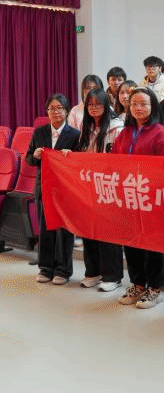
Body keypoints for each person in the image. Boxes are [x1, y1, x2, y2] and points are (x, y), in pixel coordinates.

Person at [112, 88, 164, 308]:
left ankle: (154, 288)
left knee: (151, 244)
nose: (138, 108)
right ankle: (137, 284)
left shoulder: (160, 132)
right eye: (134, 104)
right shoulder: (125, 132)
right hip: (129, 197)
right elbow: (113, 161)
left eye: (143, 104)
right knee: (131, 242)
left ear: (153, 106)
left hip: (151, 198)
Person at [73, 87, 125, 292]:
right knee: (89, 230)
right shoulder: (85, 128)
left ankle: (113, 276)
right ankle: (93, 272)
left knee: (108, 232)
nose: (94, 108)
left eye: (98, 104)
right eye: (90, 105)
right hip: (89, 185)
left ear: (106, 105)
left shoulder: (117, 127)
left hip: (109, 186)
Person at [28, 94, 81, 285]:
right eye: (52, 108)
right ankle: (45, 268)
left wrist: (72, 156)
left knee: (64, 230)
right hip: (43, 186)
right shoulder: (39, 132)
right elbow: (28, 158)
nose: (56, 112)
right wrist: (35, 155)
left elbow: (81, 163)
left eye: (60, 108)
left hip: (65, 189)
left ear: (67, 111)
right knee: (45, 228)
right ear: (47, 111)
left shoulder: (75, 134)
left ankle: (63, 270)